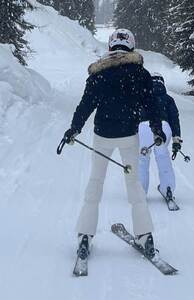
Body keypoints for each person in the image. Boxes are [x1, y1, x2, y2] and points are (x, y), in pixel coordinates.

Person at [62, 28, 165, 260]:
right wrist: (157, 129)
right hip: (129, 135)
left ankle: (85, 235)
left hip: (103, 135)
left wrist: (74, 128)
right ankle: (145, 236)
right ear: (132, 45)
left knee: (95, 182)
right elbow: (152, 105)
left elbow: (86, 104)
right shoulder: (141, 73)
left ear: (110, 46)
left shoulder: (99, 73)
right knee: (134, 185)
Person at [138, 73, 183, 203]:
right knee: (163, 157)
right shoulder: (168, 99)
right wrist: (176, 140)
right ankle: (168, 188)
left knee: (142, 159)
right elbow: (174, 120)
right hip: (164, 128)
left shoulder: (141, 96)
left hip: (143, 128)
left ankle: (140, 190)